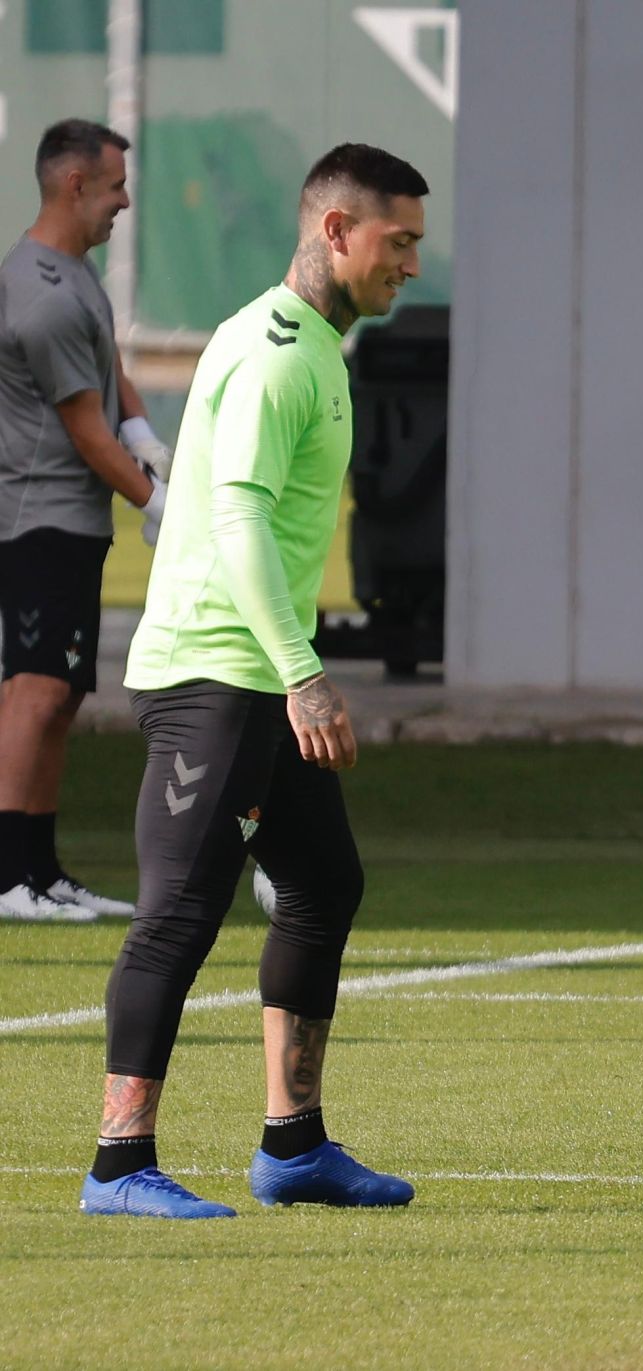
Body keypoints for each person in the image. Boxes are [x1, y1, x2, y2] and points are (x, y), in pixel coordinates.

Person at [81, 144, 429, 1218]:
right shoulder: (281, 353)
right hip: (216, 673)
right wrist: (305, 676)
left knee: (325, 885)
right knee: (178, 915)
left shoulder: (314, 343)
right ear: (336, 230)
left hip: (257, 673)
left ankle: (293, 1146)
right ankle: (118, 1165)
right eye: (398, 241)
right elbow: (233, 517)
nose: (411, 263)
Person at [0, 119, 172, 923]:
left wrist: (143, 433)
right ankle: (9, 876)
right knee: (33, 693)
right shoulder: (39, 296)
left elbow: (109, 373)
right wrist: (159, 502)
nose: (126, 202)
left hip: (72, 522)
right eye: (114, 187)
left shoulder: (75, 276)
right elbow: (85, 432)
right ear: (75, 186)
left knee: (63, 693)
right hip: (39, 521)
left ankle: (40, 868)